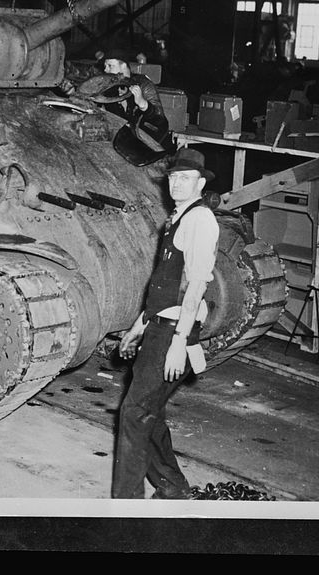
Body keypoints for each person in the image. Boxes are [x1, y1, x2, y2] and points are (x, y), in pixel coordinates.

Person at [111, 147, 220, 499]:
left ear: (201, 183)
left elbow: (196, 285)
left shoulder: (200, 220)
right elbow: (164, 282)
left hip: (173, 333)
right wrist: (137, 328)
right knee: (148, 413)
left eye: (185, 178)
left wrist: (178, 342)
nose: (177, 183)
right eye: (174, 177)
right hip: (159, 326)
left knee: (133, 413)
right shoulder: (178, 217)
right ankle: (173, 488)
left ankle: (125, 506)